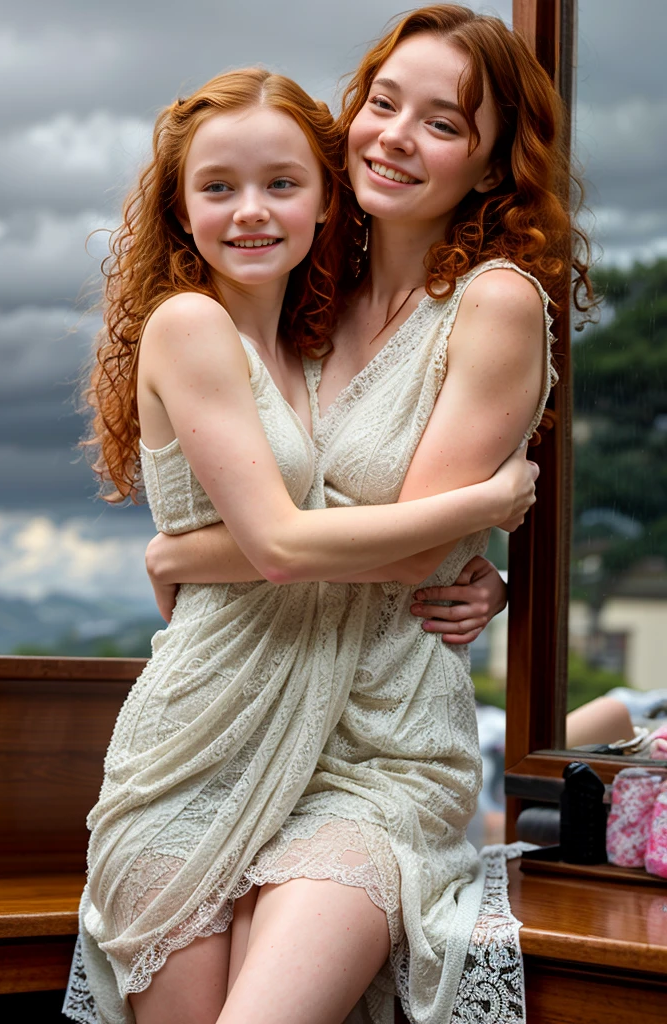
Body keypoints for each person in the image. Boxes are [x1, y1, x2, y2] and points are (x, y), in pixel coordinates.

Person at [142, 7, 594, 1024]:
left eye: (442, 122)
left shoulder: (495, 301)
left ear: (487, 167)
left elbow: (420, 549)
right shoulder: (302, 286)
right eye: (383, 102)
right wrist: (485, 526)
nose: (394, 135)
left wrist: (186, 553)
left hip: (378, 747)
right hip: (231, 722)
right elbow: (292, 513)